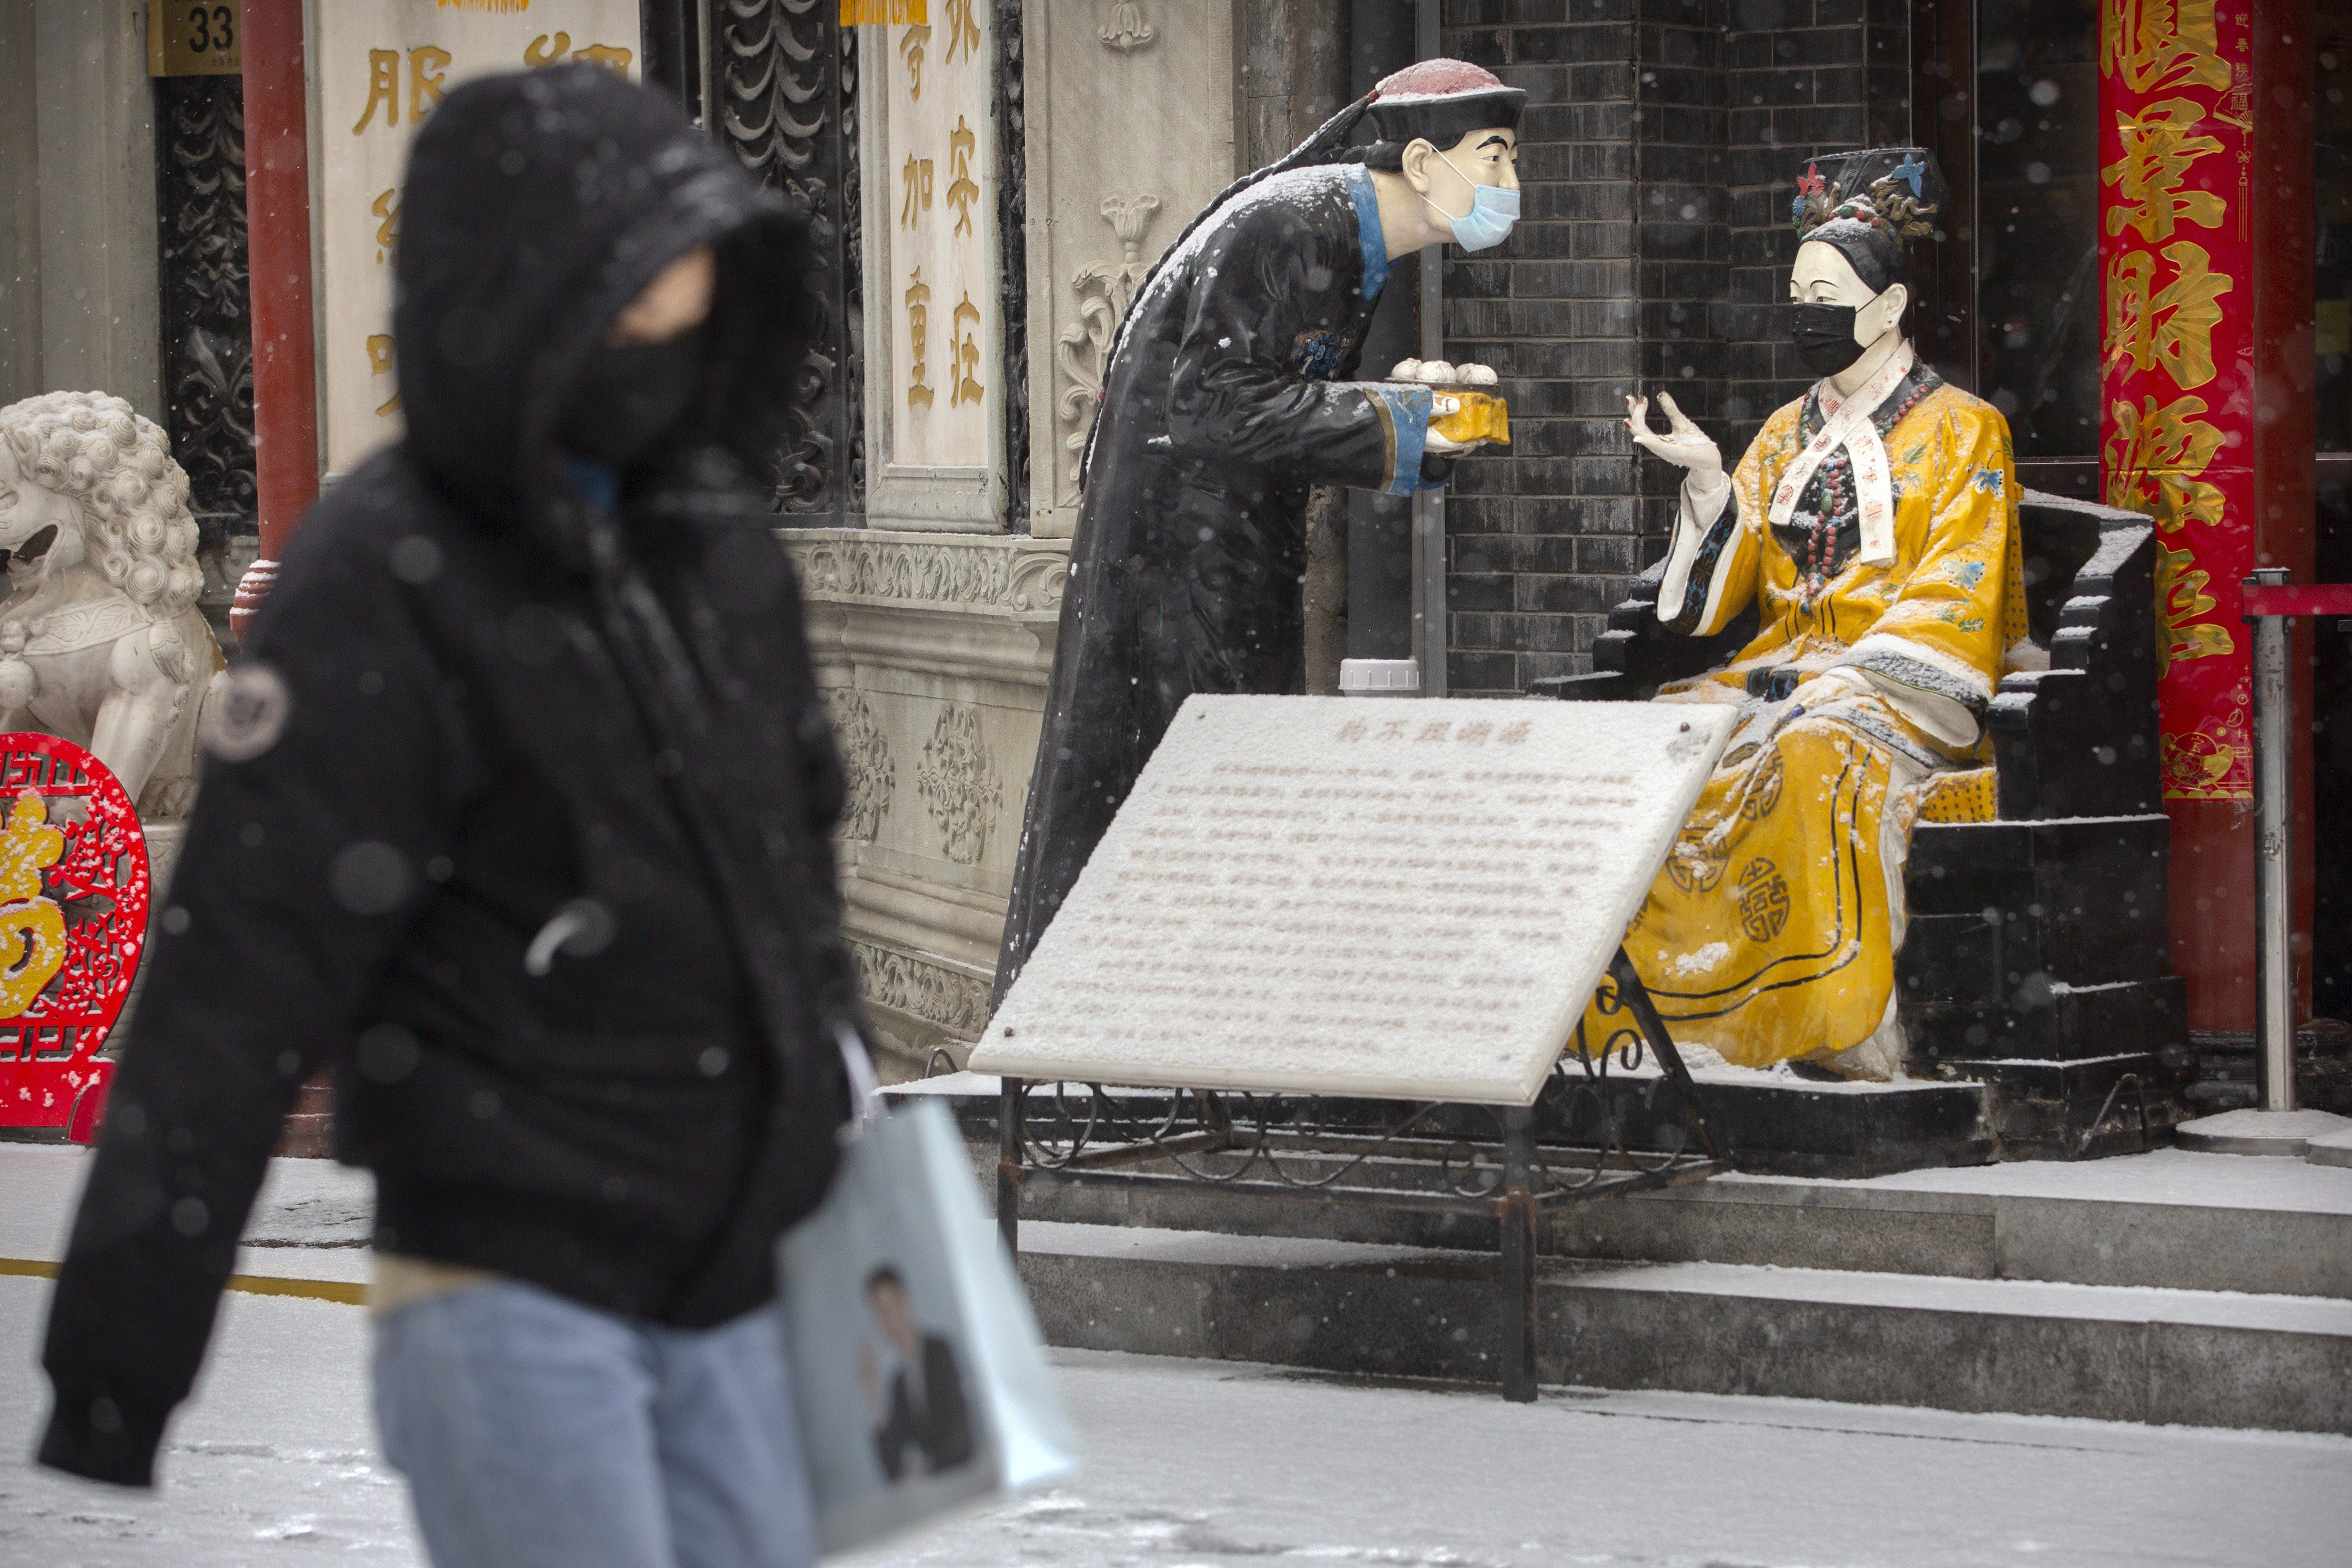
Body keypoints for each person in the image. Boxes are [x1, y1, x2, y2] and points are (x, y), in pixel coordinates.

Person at [38, 66, 857, 1568]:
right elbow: (243, 972)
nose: (668, 333)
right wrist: (123, 1342)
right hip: (511, 1275)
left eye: (693, 293)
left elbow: (792, 895)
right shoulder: (384, 571)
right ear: (526, 297)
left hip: (756, 1262)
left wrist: (837, 1150)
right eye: (632, 293)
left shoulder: (719, 546)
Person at [993, 59, 1528, 997]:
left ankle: (1211, 1017)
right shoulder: (1295, 224)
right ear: (1420, 158)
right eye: (1493, 157)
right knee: (1171, 781)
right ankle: (1117, 1019)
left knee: (1226, 778)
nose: (1507, 187)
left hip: (1236, 546)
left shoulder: (1353, 243)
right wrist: (1391, 421)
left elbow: (1287, 400)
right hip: (1171, 553)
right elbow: (1208, 408)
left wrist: (1404, 411)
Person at [1613, 147, 2027, 1080]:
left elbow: (1961, 582)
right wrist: (1711, 480)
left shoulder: (1965, 429)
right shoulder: (1779, 432)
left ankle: (1839, 1024)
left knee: (1814, 752)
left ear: (1888, 309)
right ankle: (1667, 1021)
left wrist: (1854, 670)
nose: (1809, 314)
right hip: (1781, 666)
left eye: (1828, 293)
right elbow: (1723, 592)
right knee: (1654, 744)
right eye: (1798, 292)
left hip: (1897, 687)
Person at [858, 1266, 973, 1483]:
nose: (890, 1318)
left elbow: (961, 1438)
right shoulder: (898, 1383)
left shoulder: (940, 1352)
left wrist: (927, 1470)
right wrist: (875, 1403)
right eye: (881, 1312)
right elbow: (894, 1473)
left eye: (892, 1305)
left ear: (906, 1301)